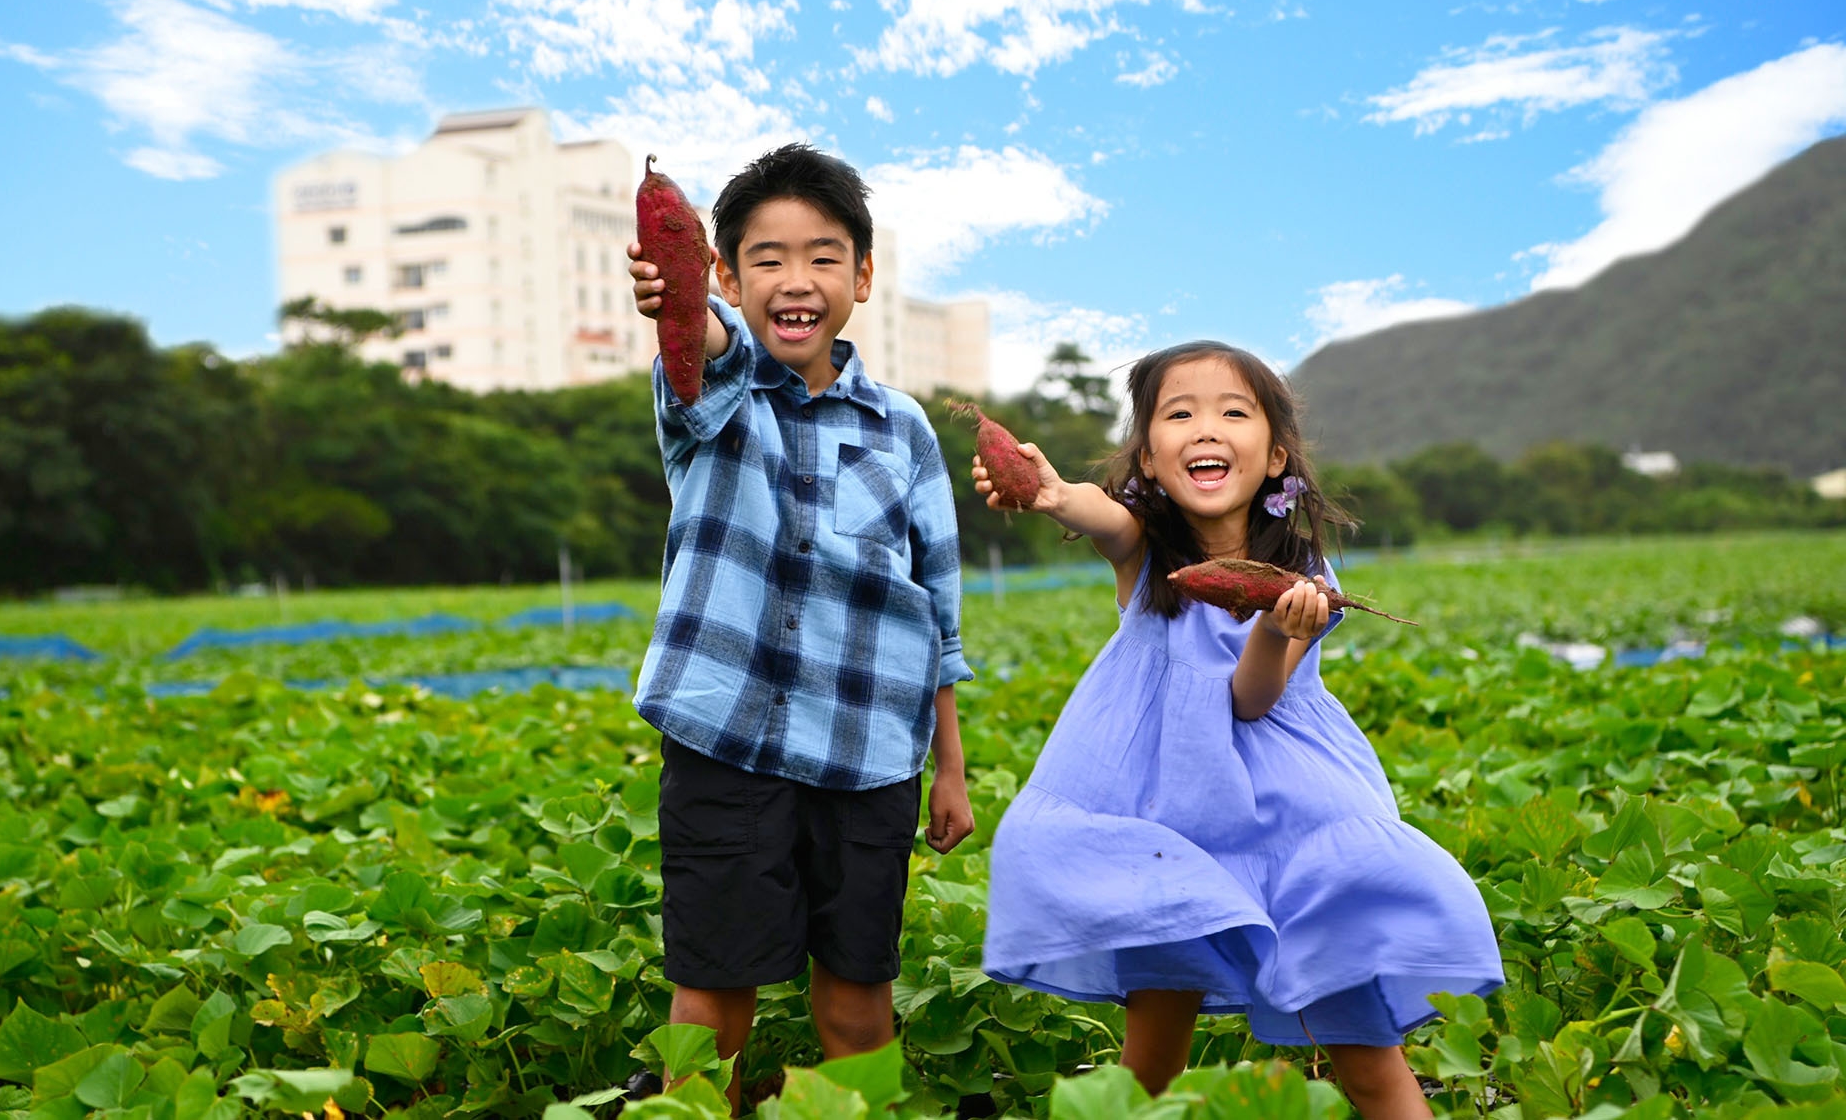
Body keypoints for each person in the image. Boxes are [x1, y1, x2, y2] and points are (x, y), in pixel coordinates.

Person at [973, 341, 1502, 1118]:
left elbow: (1253, 700)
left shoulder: (1309, 573)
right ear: (1149, 459)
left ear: (1276, 454)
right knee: (1149, 1058)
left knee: (1364, 1050)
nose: (1205, 428)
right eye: (1178, 414)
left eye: (1232, 412)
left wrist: (1276, 628)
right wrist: (1052, 493)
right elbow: (1098, 513)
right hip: (1170, 825)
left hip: (1291, 814)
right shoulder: (1145, 550)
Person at [625, 143, 977, 1110]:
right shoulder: (706, 390)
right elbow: (705, 343)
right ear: (731, 278)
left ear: (863, 276)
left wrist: (949, 764)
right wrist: (678, 293)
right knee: (711, 994)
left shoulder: (903, 428)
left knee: (859, 995)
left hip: (868, 751)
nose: (797, 280)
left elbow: (935, 609)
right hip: (726, 737)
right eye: (766, 259)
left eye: (824, 256)